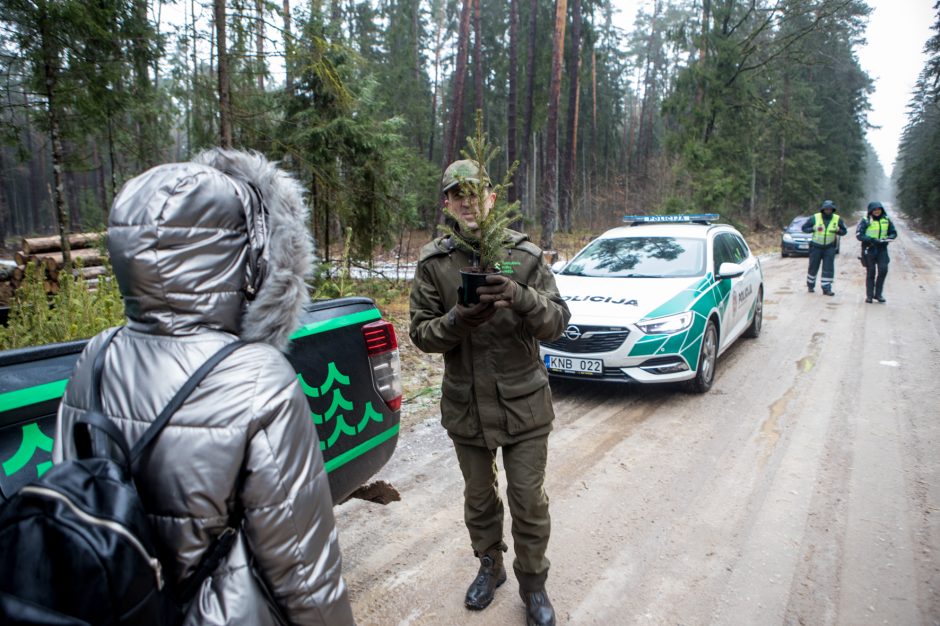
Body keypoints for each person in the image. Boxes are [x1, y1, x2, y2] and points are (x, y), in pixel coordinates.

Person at [52, 149, 355, 625]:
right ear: (241, 251)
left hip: (122, 608)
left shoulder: (97, 355)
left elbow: (72, 508)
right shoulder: (257, 375)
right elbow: (303, 566)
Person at [409, 159, 571, 626]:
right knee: (479, 498)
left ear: (492, 197)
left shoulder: (525, 256)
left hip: (524, 406)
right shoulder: (434, 264)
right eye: (456, 193)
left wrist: (520, 296)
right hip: (466, 407)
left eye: (475, 191)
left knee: (528, 499)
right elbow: (420, 335)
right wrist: (458, 319)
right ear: (447, 203)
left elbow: (558, 322)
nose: (466, 200)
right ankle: (490, 566)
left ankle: (534, 586)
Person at [801, 199, 848, 295]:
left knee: (828, 268)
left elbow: (844, 231)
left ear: (833, 210)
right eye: (826, 209)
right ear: (823, 209)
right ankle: (810, 285)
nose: (828, 211)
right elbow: (804, 228)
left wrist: (838, 230)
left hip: (829, 247)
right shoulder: (815, 218)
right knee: (813, 267)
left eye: (830, 209)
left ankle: (826, 288)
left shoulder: (837, 219)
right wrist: (813, 228)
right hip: (816, 247)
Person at [856, 200, 898, 303]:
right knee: (871, 272)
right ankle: (869, 296)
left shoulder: (886, 220)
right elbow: (859, 235)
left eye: (878, 209)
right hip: (869, 248)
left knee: (883, 270)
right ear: (870, 211)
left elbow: (893, 232)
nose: (876, 211)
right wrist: (871, 239)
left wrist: (890, 237)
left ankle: (878, 294)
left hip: (882, 249)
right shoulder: (866, 220)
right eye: (874, 210)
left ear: (881, 210)